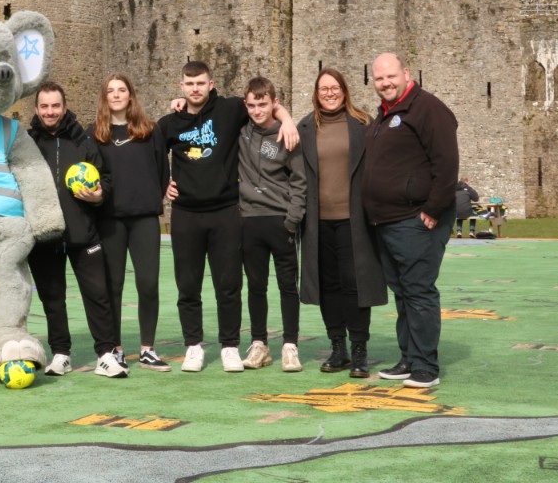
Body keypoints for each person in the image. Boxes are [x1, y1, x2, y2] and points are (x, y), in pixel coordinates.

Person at [159, 60, 297, 373]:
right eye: (189, 84)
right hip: (186, 214)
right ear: (182, 86)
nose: (195, 89)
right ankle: (193, 346)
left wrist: (287, 120)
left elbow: (264, 105)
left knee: (229, 283)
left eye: (200, 83)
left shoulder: (230, 109)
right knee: (188, 285)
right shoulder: (170, 123)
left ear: (211, 84)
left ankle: (229, 346)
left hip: (224, 212)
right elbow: (154, 155)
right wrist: (162, 184)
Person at [362, 53, 459, 388]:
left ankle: (426, 366)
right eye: (379, 79)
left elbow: (446, 162)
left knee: (418, 291)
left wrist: (433, 208)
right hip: (388, 221)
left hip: (414, 219)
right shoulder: (385, 115)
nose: (385, 83)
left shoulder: (427, 108)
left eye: (390, 76)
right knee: (403, 292)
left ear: (406, 73)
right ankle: (409, 358)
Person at [28, 81, 126, 378]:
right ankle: (61, 354)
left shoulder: (85, 140)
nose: (50, 111)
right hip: (44, 234)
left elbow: (105, 178)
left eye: (55, 106)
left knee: (98, 294)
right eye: (44, 106)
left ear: (65, 107)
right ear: (36, 109)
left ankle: (106, 355)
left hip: (84, 233)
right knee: (52, 298)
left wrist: (99, 195)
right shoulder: (27, 144)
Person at [296, 68, 387, 379]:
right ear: (316, 93)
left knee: (355, 285)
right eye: (324, 89)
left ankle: (359, 348)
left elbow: (380, 167)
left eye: (334, 88)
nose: (330, 93)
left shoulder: (363, 125)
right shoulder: (305, 127)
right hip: (317, 222)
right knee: (328, 286)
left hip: (355, 220)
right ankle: (338, 347)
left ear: (345, 91)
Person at [88, 74, 170, 372]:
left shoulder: (149, 131)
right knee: (114, 286)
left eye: (122, 89)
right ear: (105, 97)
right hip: (110, 220)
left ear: (131, 95)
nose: (117, 94)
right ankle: (116, 349)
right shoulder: (95, 133)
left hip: (145, 218)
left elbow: (162, 171)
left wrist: (149, 198)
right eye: (110, 90)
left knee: (148, 283)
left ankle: (147, 348)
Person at [238, 77, 306, 373]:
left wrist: (291, 220)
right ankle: (259, 344)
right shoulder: (240, 131)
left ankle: (290, 345)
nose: (256, 110)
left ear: (273, 103)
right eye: (252, 105)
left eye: (263, 104)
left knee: (287, 286)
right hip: (249, 220)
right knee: (255, 286)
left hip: (280, 221)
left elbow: (300, 181)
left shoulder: (287, 135)